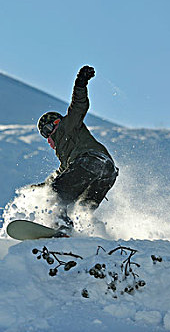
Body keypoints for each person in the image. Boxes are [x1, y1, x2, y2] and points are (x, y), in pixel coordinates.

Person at [35, 65, 118, 231]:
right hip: (107, 173)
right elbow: (61, 174)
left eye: (46, 130)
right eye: (44, 135)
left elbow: (78, 106)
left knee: (56, 194)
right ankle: (89, 232)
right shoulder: (66, 153)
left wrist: (80, 84)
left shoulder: (68, 125)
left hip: (91, 161)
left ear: (55, 123)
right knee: (80, 209)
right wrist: (37, 190)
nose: (47, 137)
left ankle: (62, 227)